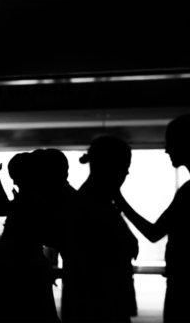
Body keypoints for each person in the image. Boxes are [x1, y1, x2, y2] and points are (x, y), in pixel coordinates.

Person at [114, 114, 190, 322]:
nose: (167, 150)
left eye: (171, 143)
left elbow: (154, 233)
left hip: (189, 289)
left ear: (187, 144)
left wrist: (119, 201)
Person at [0, 150, 67, 323]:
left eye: (15, 176)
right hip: (28, 265)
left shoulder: (29, 199)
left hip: (16, 266)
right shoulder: (36, 198)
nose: (13, 180)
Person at [61, 136, 138, 323]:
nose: (127, 172)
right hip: (101, 305)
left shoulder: (90, 200)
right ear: (109, 167)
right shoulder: (93, 204)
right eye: (124, 166)